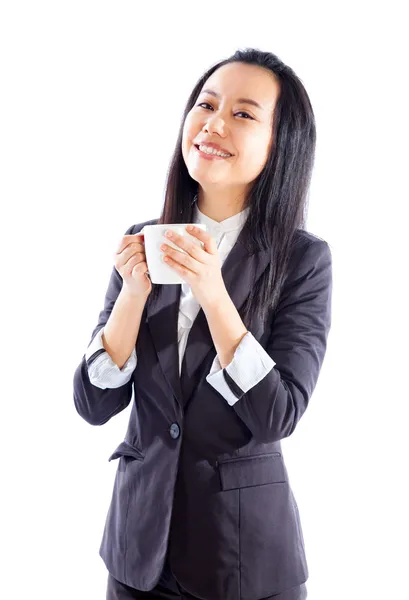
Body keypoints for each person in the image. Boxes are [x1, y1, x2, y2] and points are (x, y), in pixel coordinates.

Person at [73, 47, 332, 600]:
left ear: (279, 143)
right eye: (205, 104)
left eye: (243, 113)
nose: (213, 123)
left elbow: (278, 414)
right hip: (138, 552)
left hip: (242, 559)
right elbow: (93, 405)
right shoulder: (146, 240)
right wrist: (132, 298)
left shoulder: (303, 260)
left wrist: (214, 295)